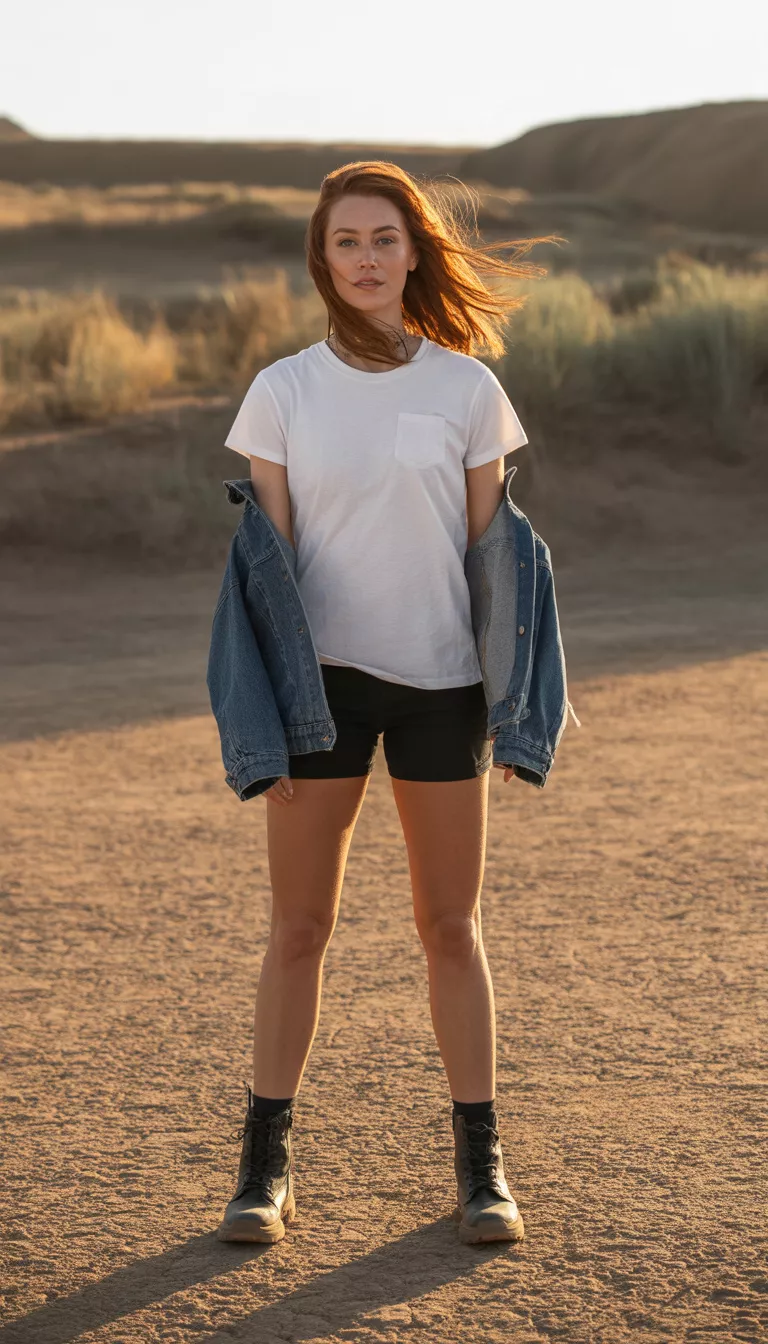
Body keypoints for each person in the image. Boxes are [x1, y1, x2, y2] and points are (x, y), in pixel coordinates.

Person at [216, 160, 559, 1246]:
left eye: (383, 239)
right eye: (345, 241)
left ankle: (481, 1170)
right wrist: (267, 714)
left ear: (414, 253)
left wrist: (511, 702)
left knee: (451, 927)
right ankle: (264, 1171)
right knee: (298, 928)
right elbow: (266, 571)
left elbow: (496, 561)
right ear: (322, 260)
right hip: (318, 690)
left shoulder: (467, 390)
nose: (365, 258)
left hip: (442, 686)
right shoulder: (282, 391)